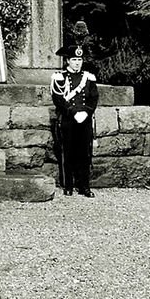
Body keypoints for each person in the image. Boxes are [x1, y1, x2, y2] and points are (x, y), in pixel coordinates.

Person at [50, 43, 99, 197]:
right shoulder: (60, 77)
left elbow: (93, 98)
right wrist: (71, 111)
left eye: (79, 59)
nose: (77, 62)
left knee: (85, 153)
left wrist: (87, 112)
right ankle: (68, 185)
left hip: (84, 119)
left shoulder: (88, 77)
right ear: (68, 61)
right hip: (68, 119)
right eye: (74, 59)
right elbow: (58, 98)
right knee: (68, 152)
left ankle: (84, 186)